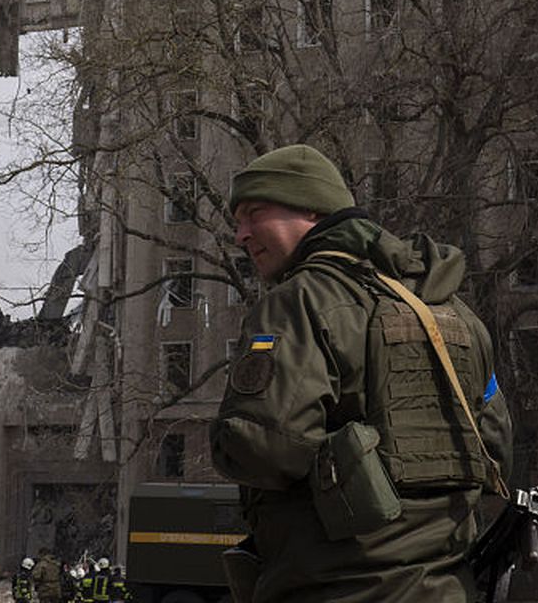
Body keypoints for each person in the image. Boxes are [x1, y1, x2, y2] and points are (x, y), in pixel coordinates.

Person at [209, 145, 513, 603]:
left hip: (336, 587)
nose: (241, 234)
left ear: (312, 208)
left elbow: (265, 448)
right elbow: (496, 450)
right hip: (450, 586)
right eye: (237, 221)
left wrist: (226, 436)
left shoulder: (300, 302)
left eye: (255, 213)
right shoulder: (454, 313)